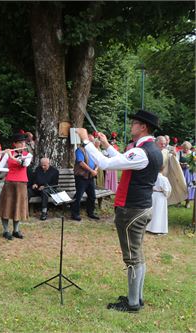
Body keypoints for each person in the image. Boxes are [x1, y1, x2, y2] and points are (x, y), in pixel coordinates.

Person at [76, 109, 163, 312]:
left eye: (134, 123)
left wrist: (86, 141)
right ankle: (136, 298)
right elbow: (124, 160)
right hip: (141, 207)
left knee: (132, 258)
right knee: (138, 255)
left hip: (132, 210)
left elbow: (106, 163)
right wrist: (106, 145)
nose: (131, 125)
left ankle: (133, 303)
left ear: (143, 127)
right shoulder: (150, 149)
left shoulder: (142, 151)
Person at [0, 133, 33, 239]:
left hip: (21, 184)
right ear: (15, 144)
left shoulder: (28, 155)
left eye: (24, 142)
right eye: (20, 143)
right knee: (7, 206)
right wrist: (9, 169)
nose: (22, 144)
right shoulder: (8, 154)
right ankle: (6, 230)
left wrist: (12, 156)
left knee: (18, 207)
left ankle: (16, 230)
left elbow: (24, 164)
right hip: (10, 183)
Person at [71, 135, 100, 221]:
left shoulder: (94, 151)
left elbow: (98, 161)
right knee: (79, 196)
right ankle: (75, 214)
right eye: (90, 141)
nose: (92, 142)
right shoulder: (80, 150)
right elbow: (81, 163)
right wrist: (92, 170)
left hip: (90, 177)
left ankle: (90, 213)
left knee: (92, 196)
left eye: (92, 141)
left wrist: (95, 170)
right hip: (81, 177)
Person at [177, 141, 195, 208]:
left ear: (189, 148)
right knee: (180, 186)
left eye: (187, 148)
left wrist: (189, 165)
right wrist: (181, 164)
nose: (186, 150)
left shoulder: (192, 154)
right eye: (184, 148)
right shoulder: (179, 152)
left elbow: (194, 164)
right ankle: (179, 201)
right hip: (180, 171)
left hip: (189, 173)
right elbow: (176, 161)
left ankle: (187, 202)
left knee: (188, 187)